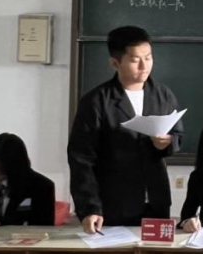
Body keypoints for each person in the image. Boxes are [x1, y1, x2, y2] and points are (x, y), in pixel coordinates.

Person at [67, 25, 184, 232]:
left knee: (155, 251)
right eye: (135, 60)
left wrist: (167, 143)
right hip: (114, 203)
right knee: (117, 252)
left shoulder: (162, 94)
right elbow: (81, 159)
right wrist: (90, 208)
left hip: (156, 200)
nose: (144, 66)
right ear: (115, 63)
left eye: (148, 57)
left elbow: (177, 135)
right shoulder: (96, 101)